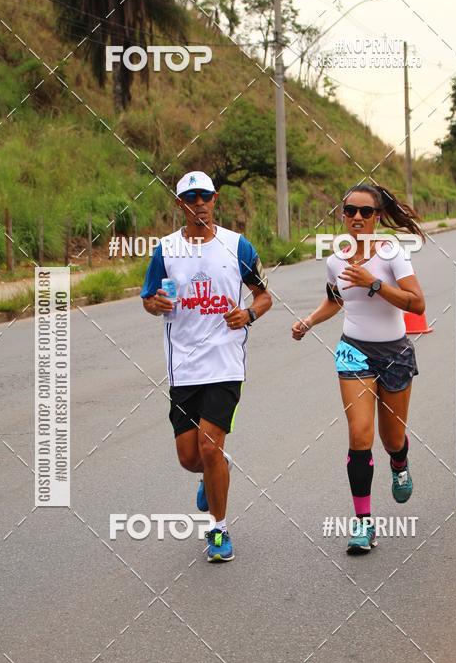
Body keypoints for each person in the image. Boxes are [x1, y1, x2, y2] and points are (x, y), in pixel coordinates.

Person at [141, 171, 272, 562]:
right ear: (180, 204)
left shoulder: (237, 246)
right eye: (191, 197)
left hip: (225, 363)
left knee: (209, 446)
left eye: (205, 196)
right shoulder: (165, 250)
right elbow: (148, 298)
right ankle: (215, 469)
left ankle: (219, 530)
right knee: (190, 457)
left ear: (215, 200)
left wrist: (248, 314)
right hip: (183, 367)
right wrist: (155, 304)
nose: (199, 203)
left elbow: (264, 296)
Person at [291, 183, 425, 554]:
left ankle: (399, 461)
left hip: (395, 352)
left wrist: (375, 283)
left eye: (366, 211)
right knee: (359, 434)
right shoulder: (336, 260)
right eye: (350, 210)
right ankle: (364, 523)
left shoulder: (392, 253)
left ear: (377, 216)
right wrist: (309, 321)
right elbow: (335, 300)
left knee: (391, 439)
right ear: (343, 214)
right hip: (353, 351)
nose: (357, 217)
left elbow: (417, 303)